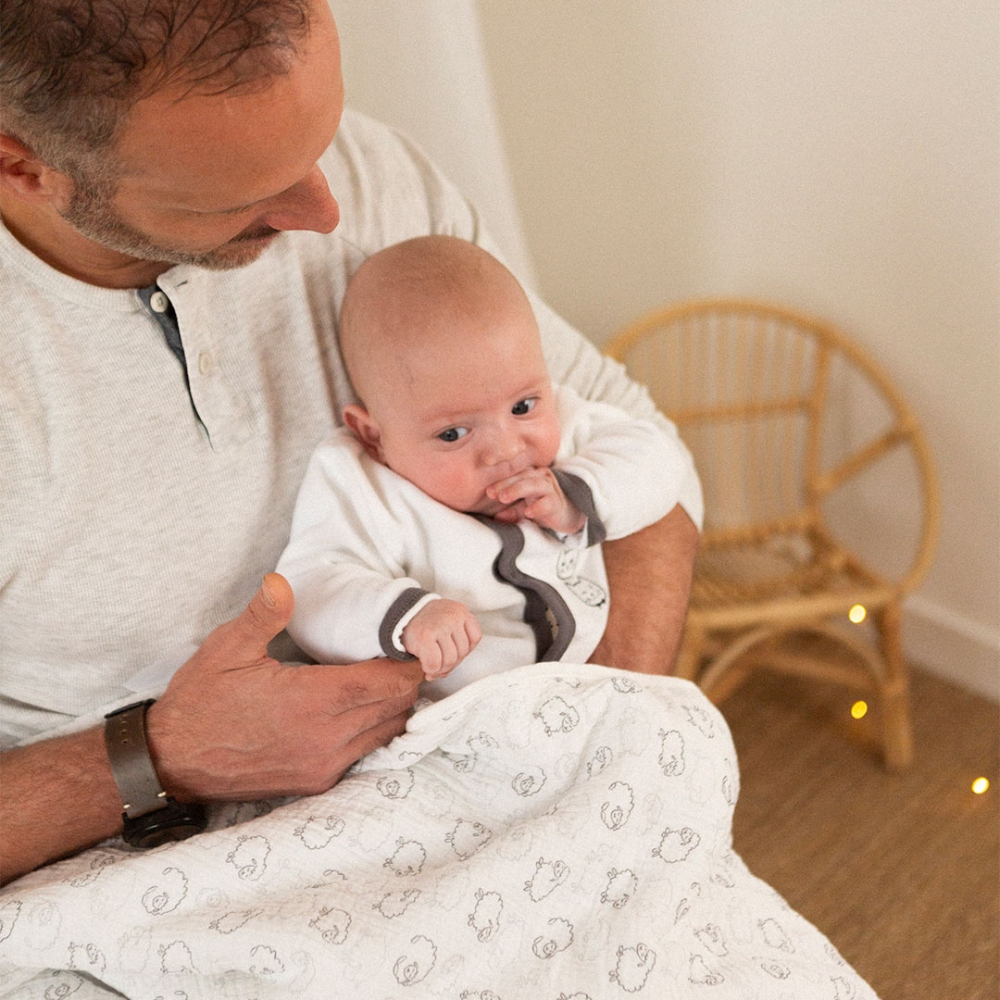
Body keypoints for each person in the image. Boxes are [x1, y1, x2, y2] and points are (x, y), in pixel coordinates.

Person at [0, 0, 701, 885]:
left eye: (322, 137)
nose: (328, 211)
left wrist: (589, 744)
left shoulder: (378, 177)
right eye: (236, 196)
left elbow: (642, 459)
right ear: (24, 167)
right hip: (133, 874)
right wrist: (157, 757)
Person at [278, 235, 691, 696]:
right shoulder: (362, 485)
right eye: (453, 433)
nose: (506, 450)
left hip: (591, 683)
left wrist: (576, 497)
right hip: (458, 715)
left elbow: (657, 457)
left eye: (522, 407)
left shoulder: (568, 421)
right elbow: (311, 587)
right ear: (375, 436)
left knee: (691, 724)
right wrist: (406, 616)